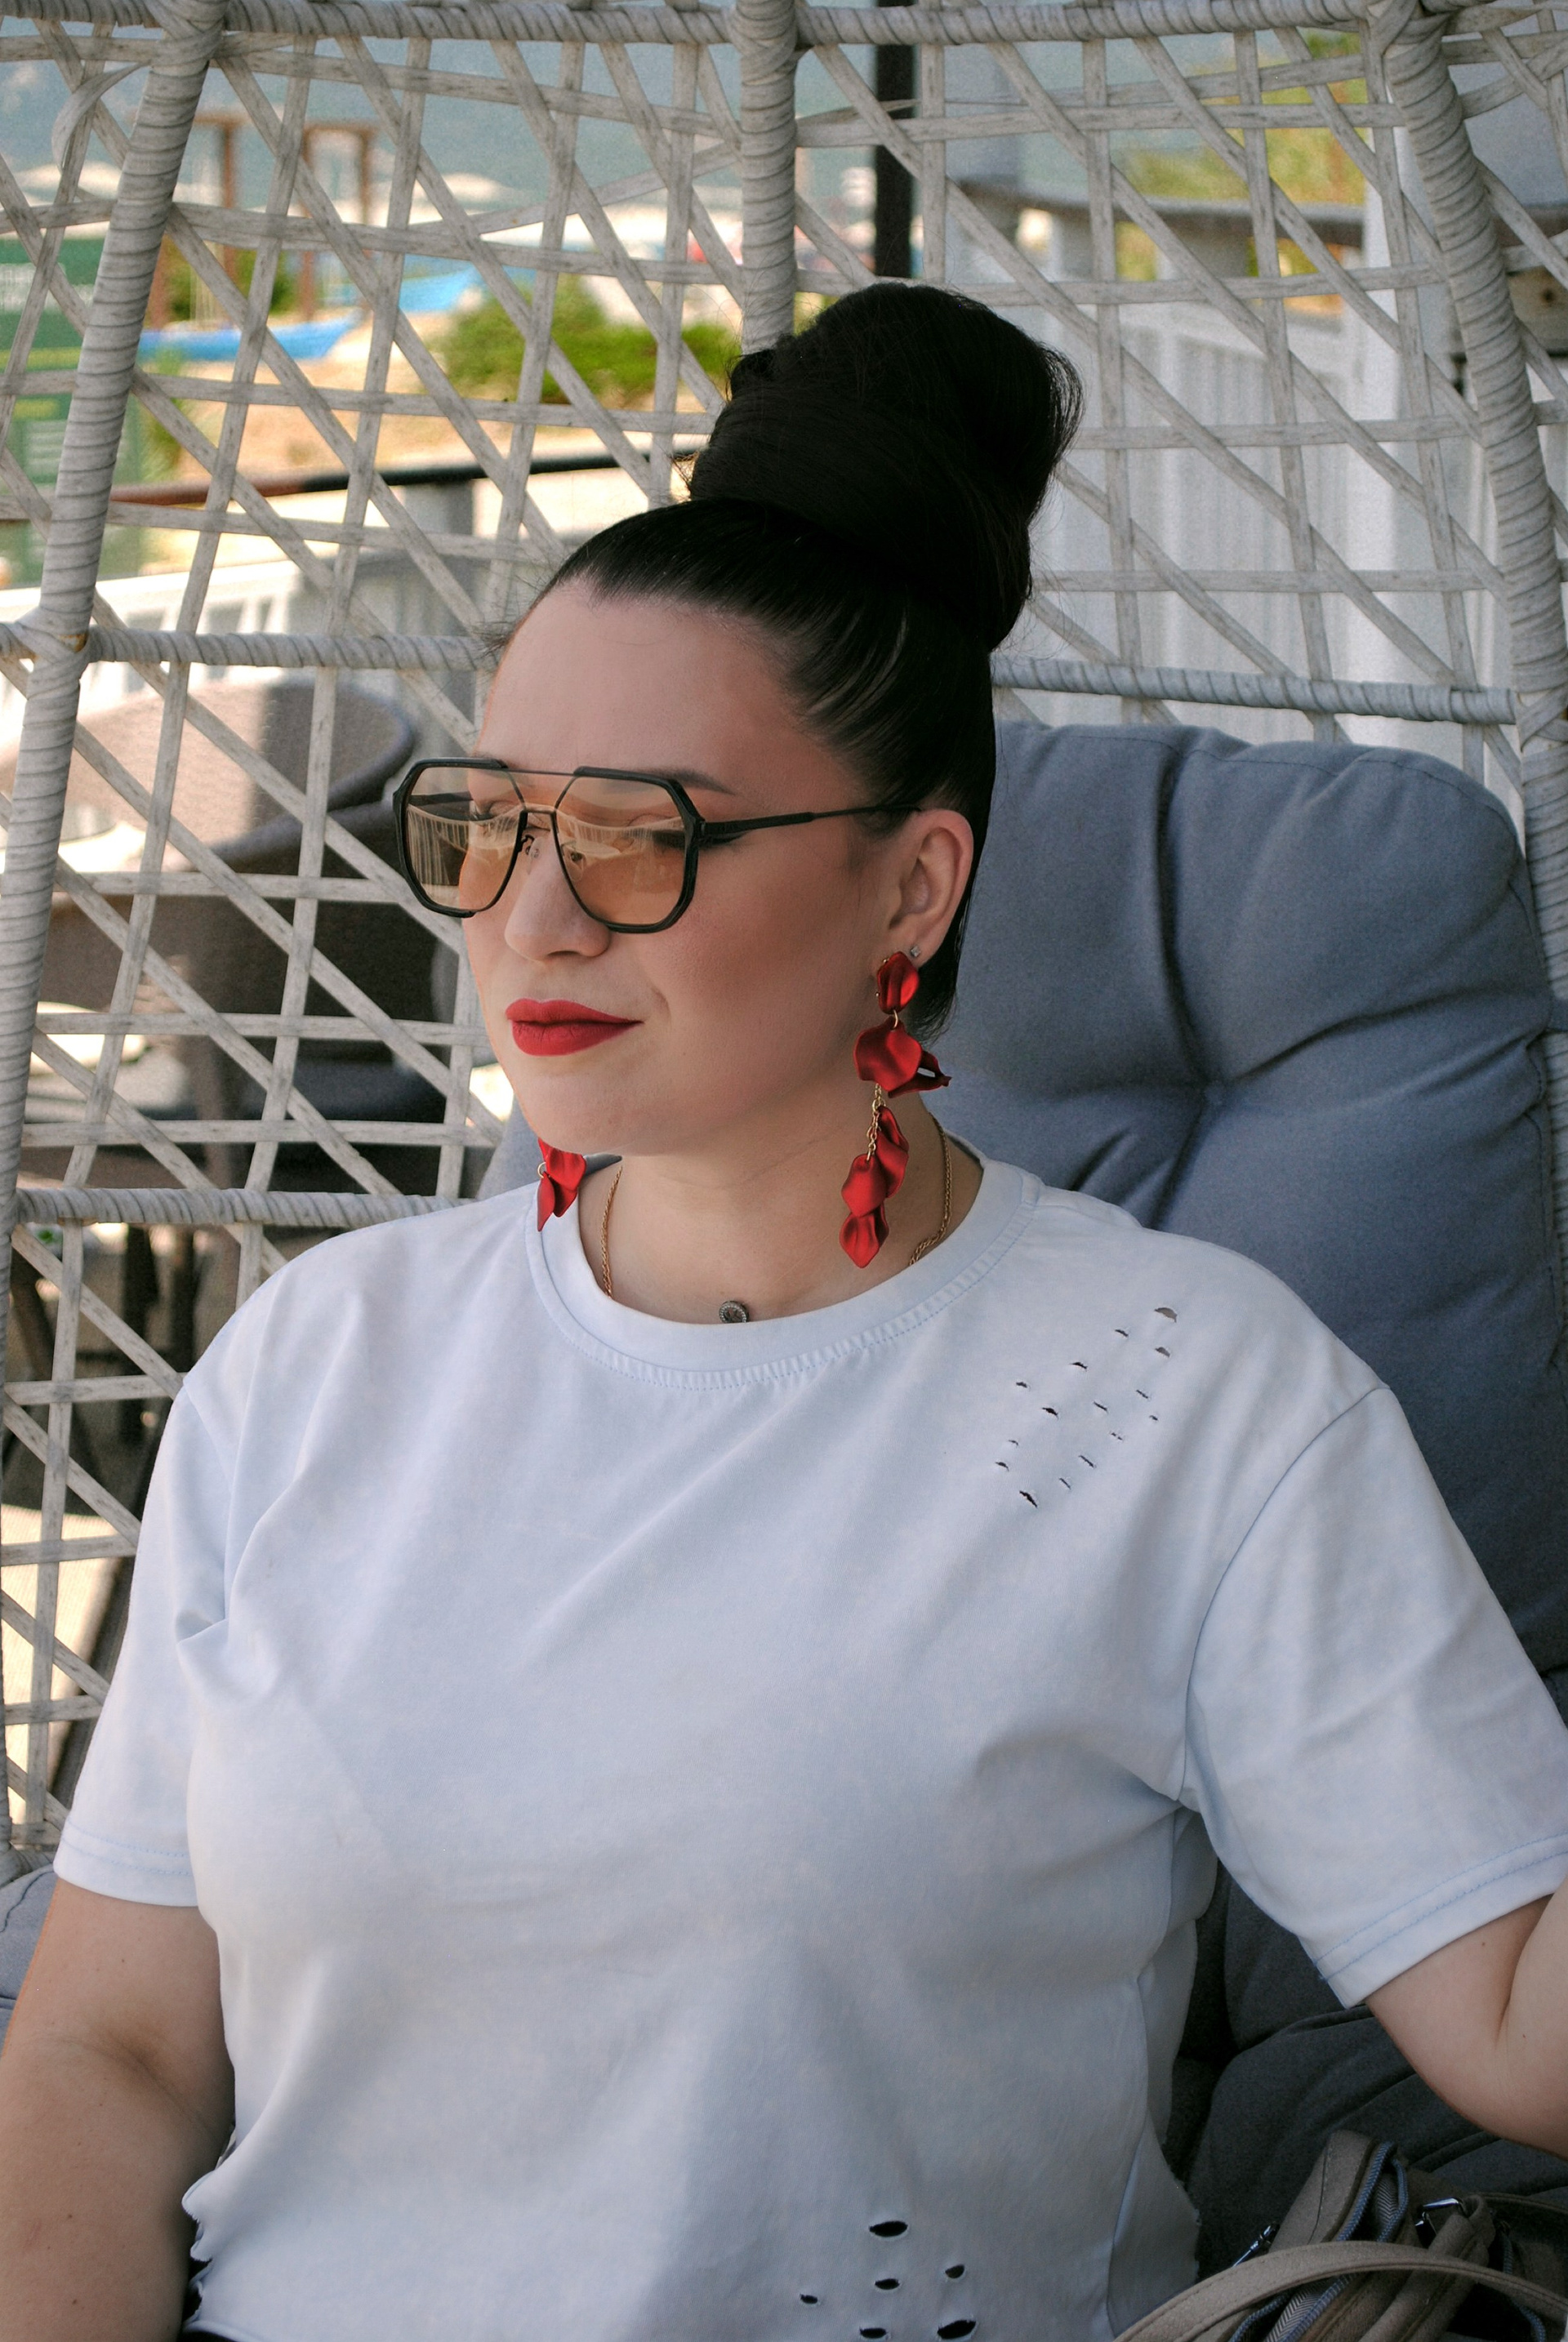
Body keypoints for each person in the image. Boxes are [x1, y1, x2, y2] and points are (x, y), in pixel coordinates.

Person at [2, 283, 1567, 2342]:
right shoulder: (320, 1364)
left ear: (912, 890)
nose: (533, 920)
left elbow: (1516, 2011)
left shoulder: (1185, 1396)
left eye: (640, 840)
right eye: (489, 823)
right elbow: (111, 2048)